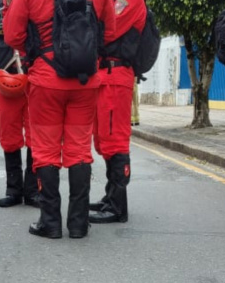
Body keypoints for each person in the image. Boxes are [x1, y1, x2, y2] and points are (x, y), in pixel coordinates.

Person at [4, 0, 116, 239]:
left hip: (46, 80)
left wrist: (39, 46)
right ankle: (78, 224)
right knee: (79, 150)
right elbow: (109, 32)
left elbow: (13, 36)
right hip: (85, 79)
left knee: (46, 151)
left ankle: (50, 222)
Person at [88, 0, 147, 224]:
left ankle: (117, 207)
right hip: (105, 77)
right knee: (103, 140)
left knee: (115, 140)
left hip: (116, 76)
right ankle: (110, 197)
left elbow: (108, 31)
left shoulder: (130, 2)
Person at [0, 0, 38, 208]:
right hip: (4, 86)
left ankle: (33, 191)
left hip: (32, 85)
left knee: (35, 138)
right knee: (9, 139)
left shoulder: (34, 9)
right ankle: (13, 190)